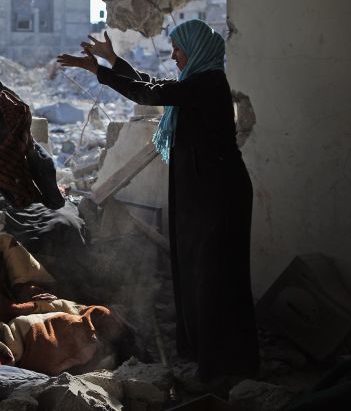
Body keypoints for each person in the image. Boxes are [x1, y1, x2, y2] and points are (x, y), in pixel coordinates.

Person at [56, 19, 259, 382]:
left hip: (220, 197)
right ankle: (209, 360)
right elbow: (153, 86)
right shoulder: (194, 84)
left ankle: (226, 368)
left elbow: (149, 95)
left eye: (179, 48)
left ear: (197, 50)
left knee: (217, 279)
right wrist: (113, 63)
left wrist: (102, 71)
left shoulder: (207, 83)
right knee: (199, 275)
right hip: (202, 194)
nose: (174, 55)